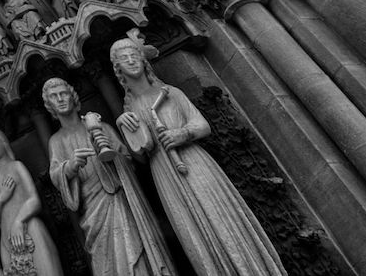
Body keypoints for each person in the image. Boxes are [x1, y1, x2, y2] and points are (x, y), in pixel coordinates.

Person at [110, 36, 287, 275]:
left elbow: (203, 126)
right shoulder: (129, 109)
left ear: (143, 59)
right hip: (164, 172)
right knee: (192, 233)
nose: (131, 61)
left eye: (134, 55)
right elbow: (141, 157)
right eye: (123, 58)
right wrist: (123, 125)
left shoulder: (170, 92)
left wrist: (181, 133)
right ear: (117, 68)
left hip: (193, 162)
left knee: (222, 218)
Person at [42, 78, 178, 276]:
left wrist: (110, 154)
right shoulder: (56, 141)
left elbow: (129, 159)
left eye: (64, 93)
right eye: (54, 97)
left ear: (73, 97)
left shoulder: (102, 126)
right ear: (49, 105)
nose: (61, 99)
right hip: (92, 209)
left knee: (135, 247)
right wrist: (71, 166)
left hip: (120, 199)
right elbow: (55, 175)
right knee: (107, 261)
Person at [0, 127, 63, 276]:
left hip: (30, 229)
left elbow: (34, 200)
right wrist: (1, 198)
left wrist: (18, 222)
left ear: (3, 142)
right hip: (7, 242)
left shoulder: (17, 167)